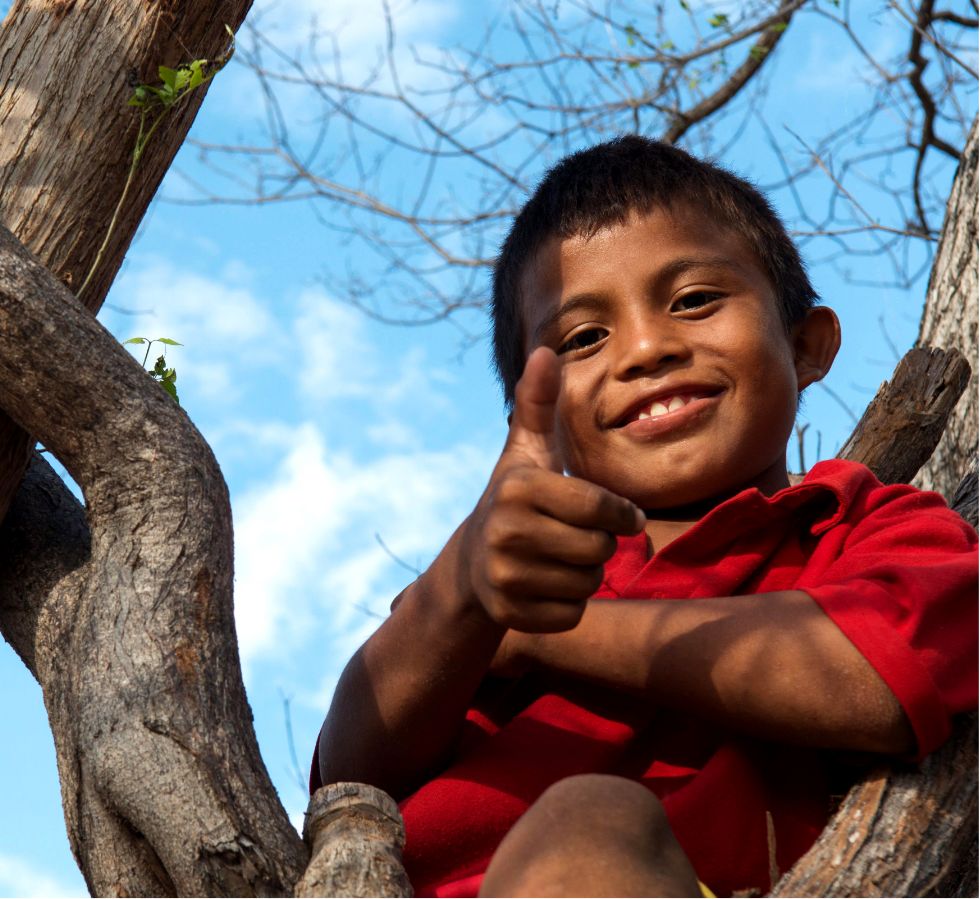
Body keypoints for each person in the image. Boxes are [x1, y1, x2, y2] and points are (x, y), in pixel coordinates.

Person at [310, 136, 978, 897]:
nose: (647, 348)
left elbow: (881, 676)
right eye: (583, 338)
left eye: (693, 300)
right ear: (541, 415)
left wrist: (546, 631)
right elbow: (351, 771)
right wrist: (463, 589)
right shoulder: (513, 565)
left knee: (588, 820)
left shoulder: (863, 523)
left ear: (806, 343)